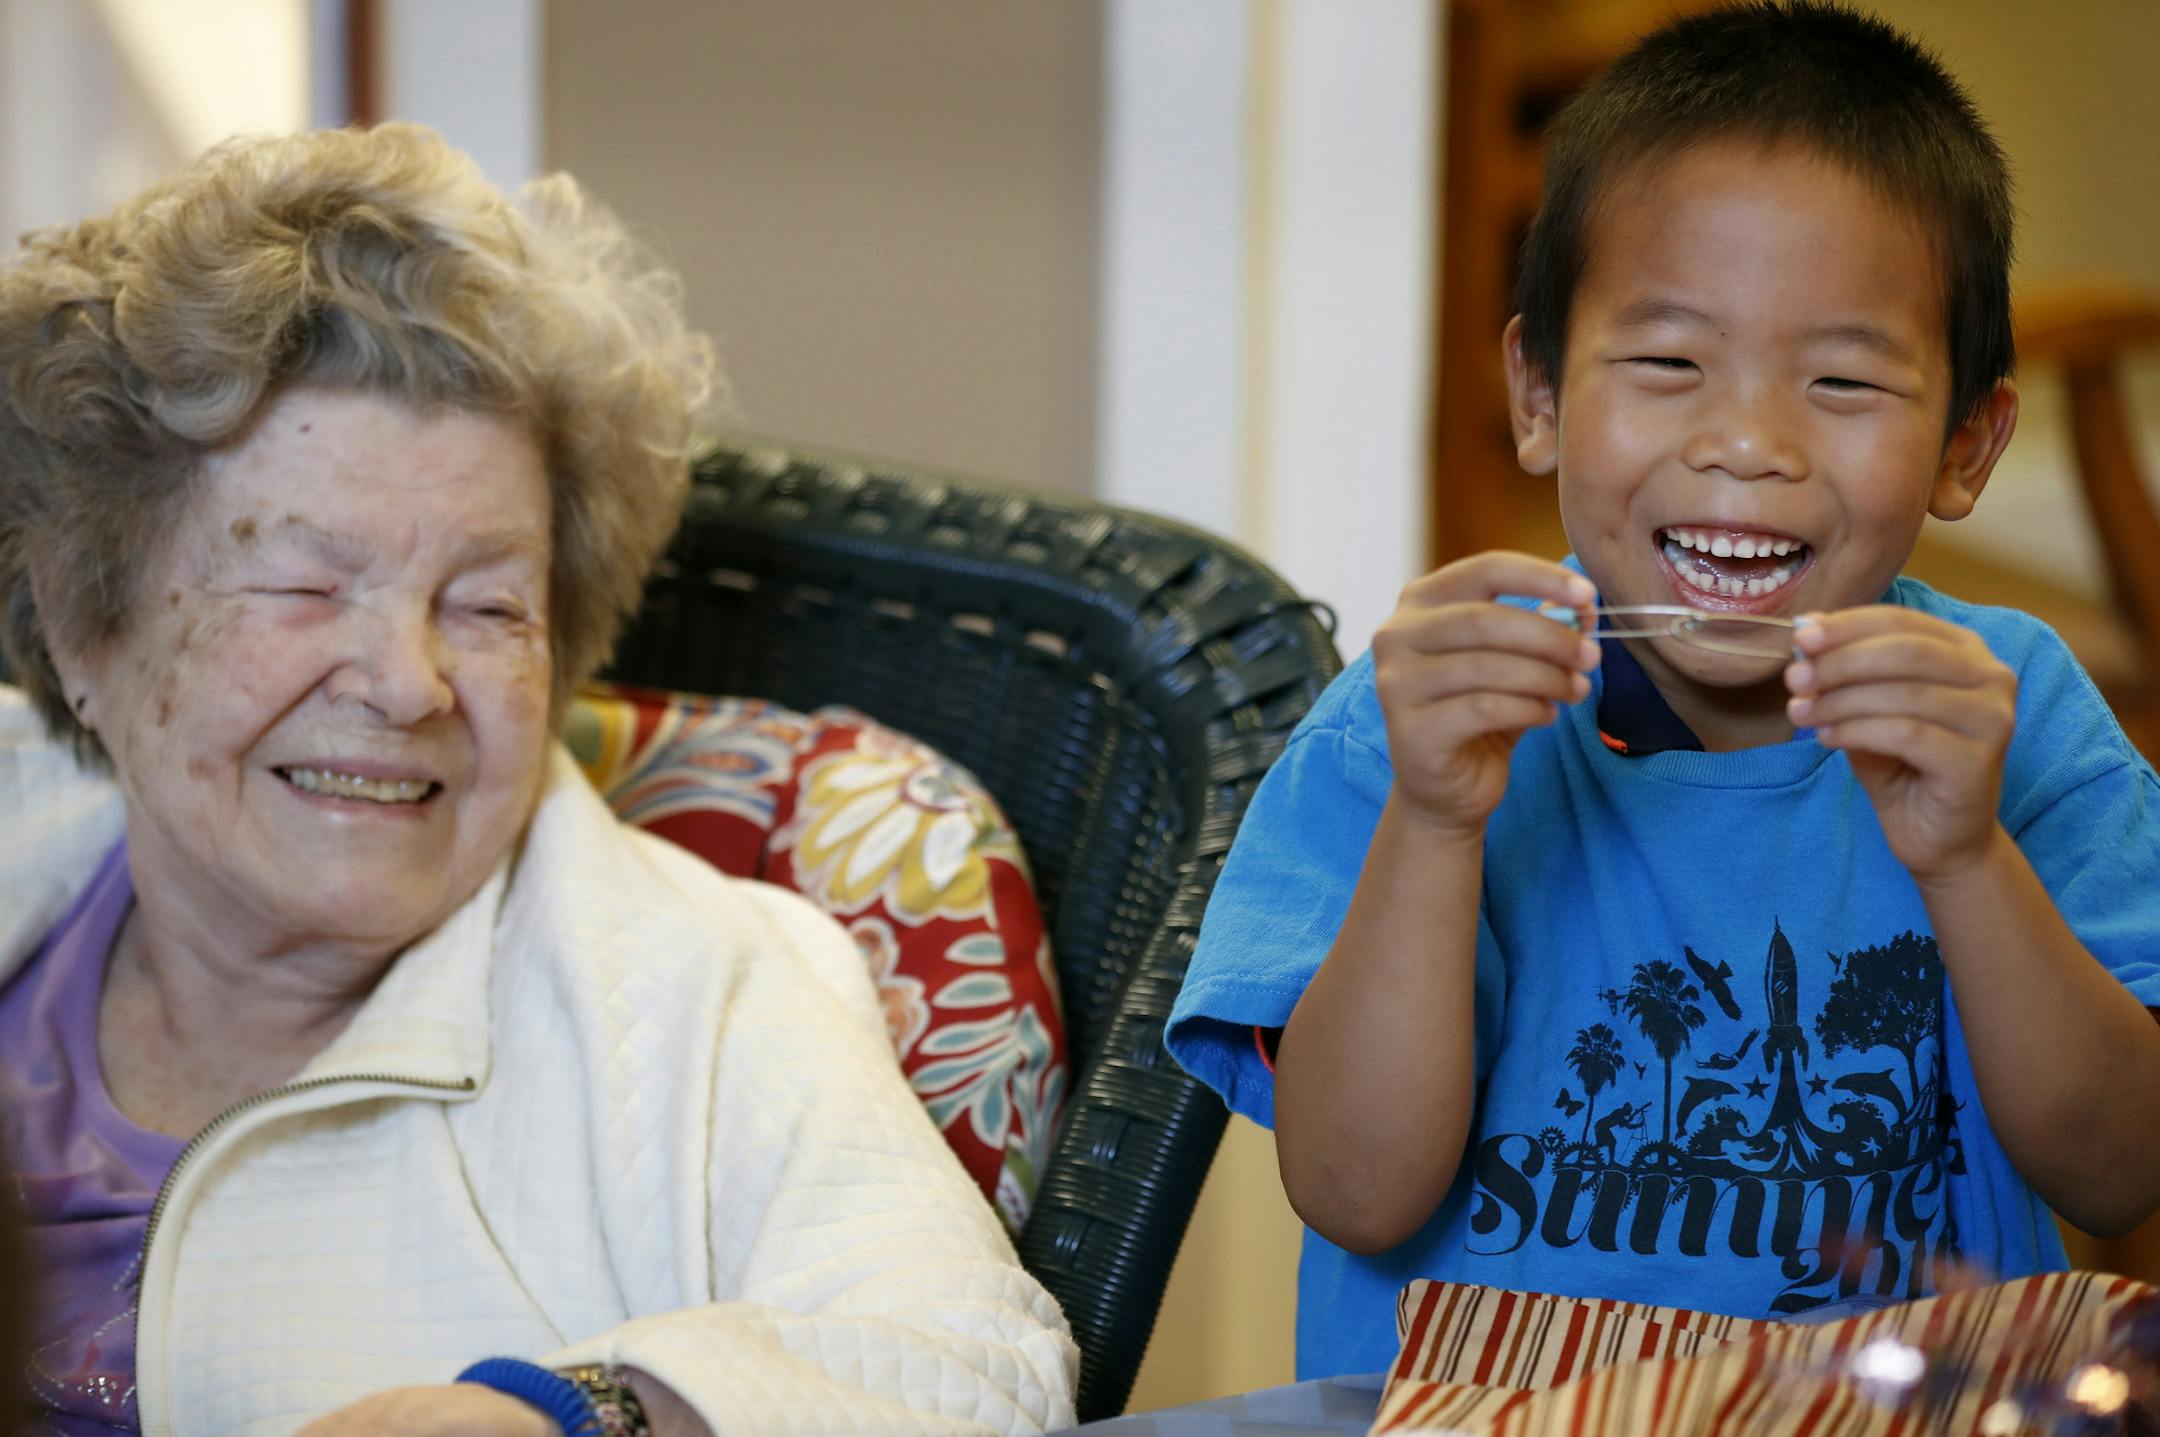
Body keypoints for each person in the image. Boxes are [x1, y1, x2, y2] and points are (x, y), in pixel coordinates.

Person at [0, 125, 1076, 1436]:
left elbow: (974, 1361)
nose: (408, 681)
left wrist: (579, 1414)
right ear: (79, 621)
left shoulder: (692, 989)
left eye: (489, 605)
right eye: (303, 584)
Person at [1166, 0, 2160, 1379]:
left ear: (1970, 442)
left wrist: (1968, 853)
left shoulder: (2017, 714)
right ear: (1537, 392)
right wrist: (1437, 823)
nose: (1748, 442)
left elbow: (2121, 1172)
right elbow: (1351, 1189)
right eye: (1668, 362)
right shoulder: (1403, 737)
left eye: (1843, 379)